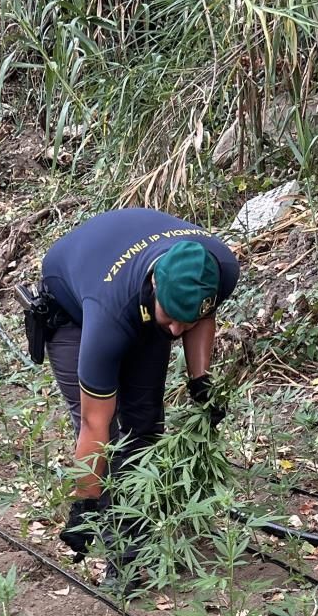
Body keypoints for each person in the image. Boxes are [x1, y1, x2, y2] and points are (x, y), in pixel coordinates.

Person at [35, 208, 240, 561]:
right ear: (155, 285)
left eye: (184, 322)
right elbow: (94, 423)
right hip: (74, 305)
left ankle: (134, 542)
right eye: (171, 318)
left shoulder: (219, 269)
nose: (176, 332)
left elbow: (200, 314)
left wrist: (200, 381)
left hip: (134, 291)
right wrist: (83, 503)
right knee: (109, 436)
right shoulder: (109, 314)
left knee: (144, 425)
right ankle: (110, 533)